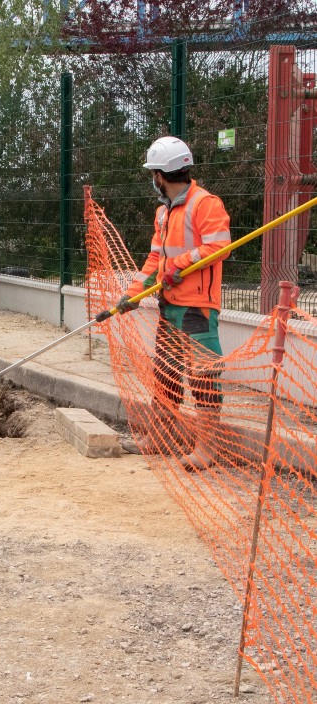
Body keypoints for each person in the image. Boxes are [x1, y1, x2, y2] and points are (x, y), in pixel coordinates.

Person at [115, 136, 231, 470]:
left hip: (197, 307)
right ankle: (161, 437)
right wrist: (133, 293)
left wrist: (177, 267)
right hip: (169, 305)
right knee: (165, 372)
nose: (153, 179)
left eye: (153, 173)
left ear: (161, 175)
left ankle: (208, 448)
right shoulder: (164, 213)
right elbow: (155, 259)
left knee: (203, 376)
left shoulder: (205, 204)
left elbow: (219, 248)